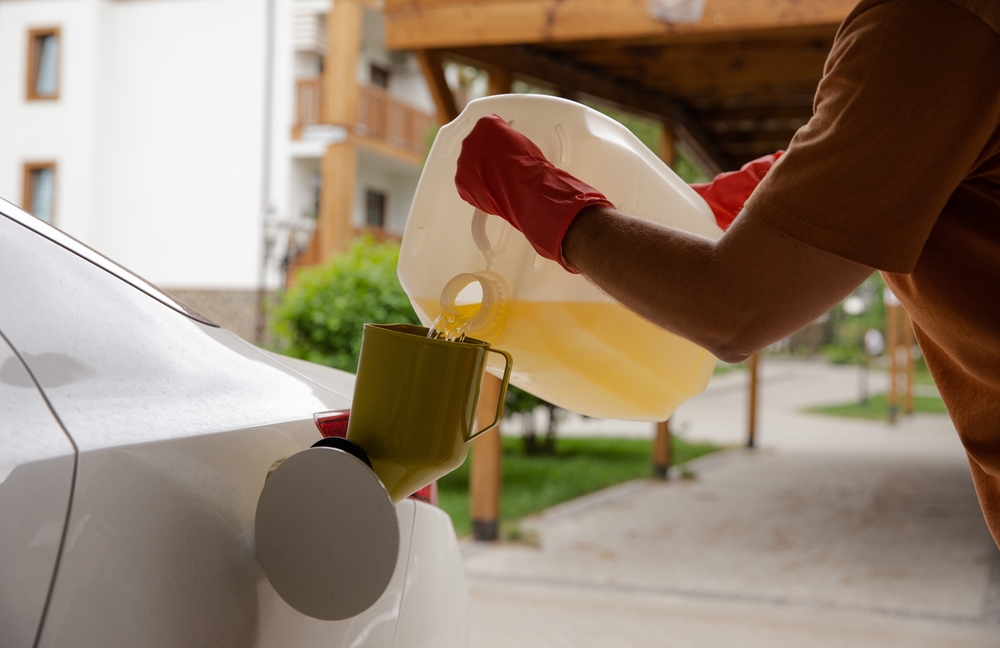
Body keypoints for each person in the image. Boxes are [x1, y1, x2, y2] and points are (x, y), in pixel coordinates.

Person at [454, 0, 1000, 546]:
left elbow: (734, 309)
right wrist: (778, 187)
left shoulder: (932, 17)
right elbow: (918, 136)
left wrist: (537, 197)